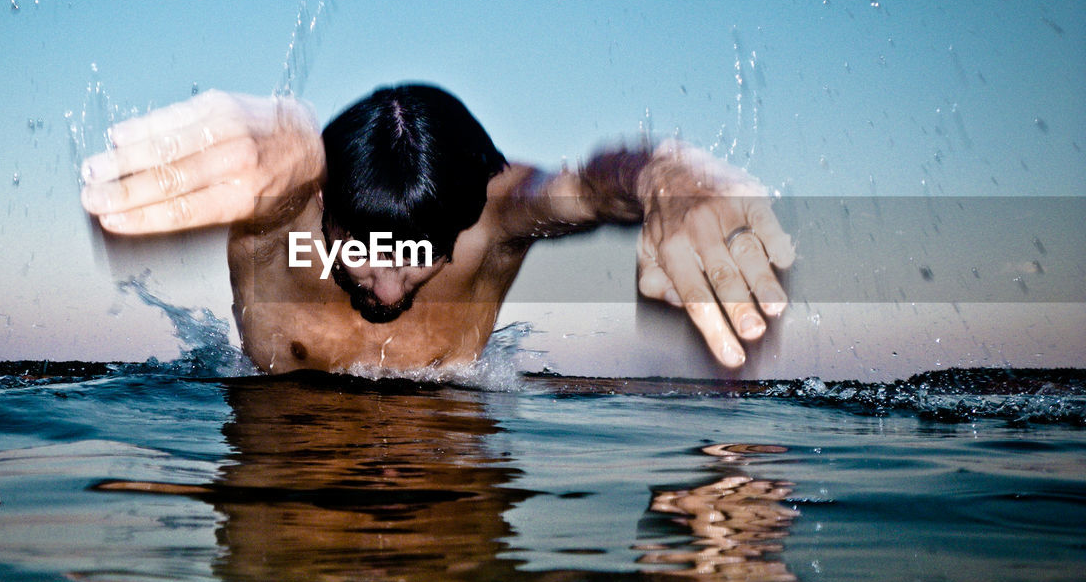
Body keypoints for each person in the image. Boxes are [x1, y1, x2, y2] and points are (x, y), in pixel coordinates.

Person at [79, 83, 794, 374]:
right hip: (290, 489)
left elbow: (581, 186)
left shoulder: (493, 226)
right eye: (355, 249)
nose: (383, 285)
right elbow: (287, 171)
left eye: (418, 257)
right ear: (323, 210)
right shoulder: (280, 223)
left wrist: (662, 178)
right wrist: (289, 142)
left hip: (448, 495)